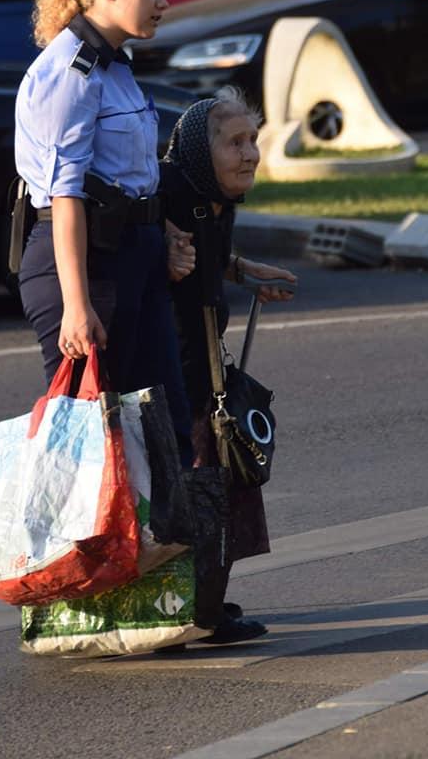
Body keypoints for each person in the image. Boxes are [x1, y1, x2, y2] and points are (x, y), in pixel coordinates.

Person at [14, 0, 192, 464]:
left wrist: (163, 230)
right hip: (86, 264)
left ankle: (171, 524)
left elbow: (127, 174)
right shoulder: (71, 70)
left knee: (166, 433)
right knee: (93, 450)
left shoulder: (115, 63)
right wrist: (76, 305)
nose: (164, 1)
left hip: (134, 255)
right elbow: (63, 196)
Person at [160, 87, 297, 645]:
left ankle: (205, 601)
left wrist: (241, 270)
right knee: (199, 484)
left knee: (220, 480)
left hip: (200, 368)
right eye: (235, 143)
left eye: (253, 141)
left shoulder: (215, 200)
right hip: (170, 373)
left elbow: (206, 258)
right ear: (201, 150)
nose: (250, 154)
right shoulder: (170, 194)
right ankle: (194, 609)